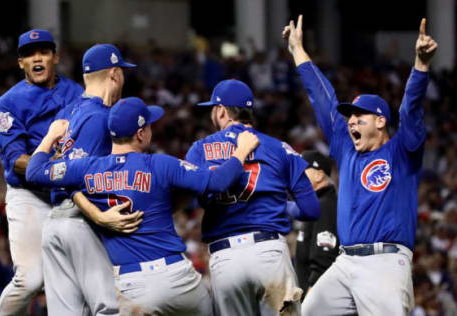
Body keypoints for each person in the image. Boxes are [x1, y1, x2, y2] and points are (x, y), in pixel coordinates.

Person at [25, 96, 260, 315]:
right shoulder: (160, 164)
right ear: (140, 134)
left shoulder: (85, 168)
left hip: (131, 286)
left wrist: (50, 136)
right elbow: (218, 182)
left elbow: (34, 171)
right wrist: (240, 152)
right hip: (177, 280)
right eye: (148, 125)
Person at [283, 15, 437, 315]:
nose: (351, 120)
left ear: (380, 121)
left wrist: (420, 66)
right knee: (308, 311)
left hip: (385, 263)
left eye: (359, 115)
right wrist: (297, 51)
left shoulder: (402, 150)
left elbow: (411, 109)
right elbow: (322, 98)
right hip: (345, 262)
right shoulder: (346, 148)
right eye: (349, 116)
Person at [185, 79, 321, 315]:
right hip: (269, 252)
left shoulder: (199, 149)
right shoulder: (280, 148)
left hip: (225, 258)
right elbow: (311, 209)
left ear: (221, 110)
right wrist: (281, 205)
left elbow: (197, 200)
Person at [40, 44, 139, 316]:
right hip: (82, 222)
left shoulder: (67, 114)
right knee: (110, 309)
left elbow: (53, 170)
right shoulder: (101, 118)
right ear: (115, 73)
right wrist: (98, 216)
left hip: (54, 225)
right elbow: (76, 180)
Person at [0, 29, 83, 316]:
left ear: (55, 57)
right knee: (31, 279)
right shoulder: (8, 103)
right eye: (29, 54)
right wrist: (49, 164)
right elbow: (15, 159)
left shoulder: (77, 93)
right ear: (21, 63)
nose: (37, 58)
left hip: (69, 193)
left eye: (43, 52)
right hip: (30, 195)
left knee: (74, 281)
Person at [292, 150, 339, 297]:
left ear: (319, 175)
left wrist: (312, 294)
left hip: (319, 296)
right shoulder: (314, 204)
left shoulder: (325, 205)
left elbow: (324, 258)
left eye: (303, 170)